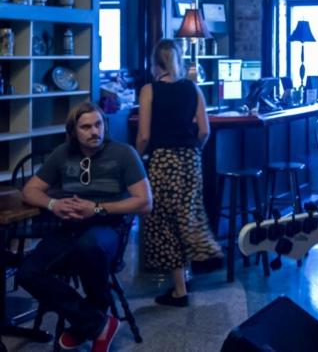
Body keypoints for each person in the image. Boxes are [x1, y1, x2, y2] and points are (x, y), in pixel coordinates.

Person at [17, 102, 152, 352]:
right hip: (68, 227)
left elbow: (145, 202)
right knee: (27, 272)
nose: (94, 131)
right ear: (73, 131)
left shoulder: (123, 153)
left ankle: (85, 324)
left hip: (107, 227)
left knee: (89, 247)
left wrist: (97, 208)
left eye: (99, 124)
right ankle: (97, 323)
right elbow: (29, 190)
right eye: (86, 127)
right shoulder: (62, 154)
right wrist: (52, 203)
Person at [136, 39, 223, 308]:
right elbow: (205, 131)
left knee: (164, 222)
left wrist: (136, 158)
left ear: (155, 64)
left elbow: (144, 135)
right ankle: (198, 259)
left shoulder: (149, 91)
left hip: (163, 160)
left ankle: (181, 287)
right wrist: (192, 150)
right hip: (190, 159)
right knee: (188, 214)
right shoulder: (193, 88)